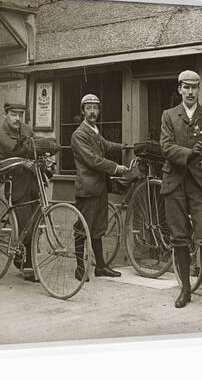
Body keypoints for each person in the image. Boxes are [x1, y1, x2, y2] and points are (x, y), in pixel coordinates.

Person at [160, 70, 202, 311]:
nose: (189, 92)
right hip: (175, 183)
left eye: (194, 88)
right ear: (179, 89)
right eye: (185, 87)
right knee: (179, 238)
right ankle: (185, 290)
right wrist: (189, 153)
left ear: (199, 90)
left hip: (200, 184)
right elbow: (166, 147)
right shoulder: (168, 116)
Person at [71, 94, 130, 281]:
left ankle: (101, 267)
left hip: (99, 188)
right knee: (83, 228)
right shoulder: (79, 134)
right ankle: (80, 268)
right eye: (88, 108)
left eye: (95, 108)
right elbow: (92, 160)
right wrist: (115, 167)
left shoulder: (94, 131)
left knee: (97, 228)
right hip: (87, 189)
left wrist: (127, 147)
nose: (92, 112)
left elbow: (106, 145)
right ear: (82, 111)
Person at [0, 102, 39, 282]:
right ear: (5, 114)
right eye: (14, 114)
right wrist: (20, 162)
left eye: (20, 114)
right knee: (28, 225)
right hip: (16, 186)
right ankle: (29, 264)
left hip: (35, 183)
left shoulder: (27, 130)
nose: (18, 118)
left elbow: (34, 151)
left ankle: (23, 257)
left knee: (38, 223)